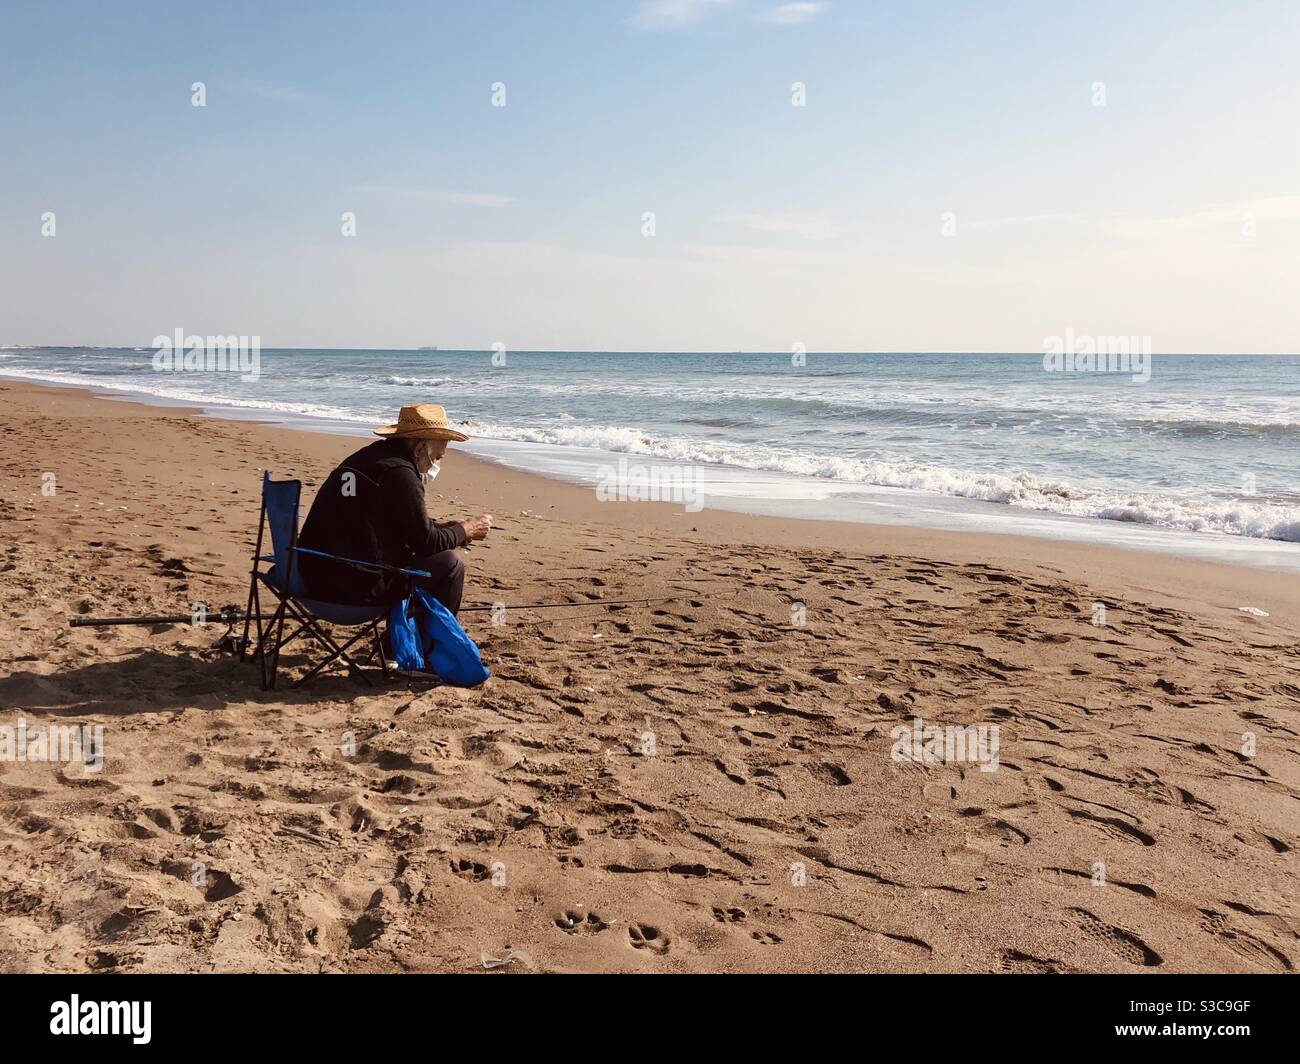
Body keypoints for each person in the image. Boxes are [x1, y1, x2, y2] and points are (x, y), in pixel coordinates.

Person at [296, 403, 492, 613]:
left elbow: (395, 523)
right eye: (437, 457)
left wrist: (449, 529)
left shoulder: (368, 457)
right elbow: (426, 543)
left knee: (430, 558)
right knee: (450, 565)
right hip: (349, 588)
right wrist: (466, 529)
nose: (436, 466)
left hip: (307, 573)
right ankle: (432, 644)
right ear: (419, 449)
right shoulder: (400, 473)